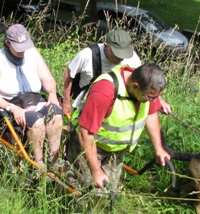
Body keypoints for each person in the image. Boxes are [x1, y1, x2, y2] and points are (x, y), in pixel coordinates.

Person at [66, 63, 171, 202]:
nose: (153, 100)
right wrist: (96, 171)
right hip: (90, 147)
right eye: (150, 97)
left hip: (116, 152)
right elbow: (85, 133)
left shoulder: (147, 89)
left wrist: (159, 149)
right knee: (82, 191)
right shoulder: (105, 91)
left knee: (106, 193)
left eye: (156, 97)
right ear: (135, 86)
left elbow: (151, 115)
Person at [0, 24, 63, 166]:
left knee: (56, 115)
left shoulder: (32, 52)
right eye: (18, 47)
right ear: (7, 43)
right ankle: (38, 163)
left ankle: (54, 159)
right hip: (13, 103)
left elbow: (48, 79)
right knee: (36, 121)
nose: (22, 51)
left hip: (35, 99)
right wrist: (12, 108)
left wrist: (52, 94)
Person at [61, 29, 171, 116]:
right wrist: (66, 102)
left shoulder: (133, 58)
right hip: (85, 105)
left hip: (117, 109)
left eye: (124, 54)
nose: (121, 58)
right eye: (117, 54)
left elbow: (144, 83)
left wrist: (159, 100)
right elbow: (69, 74)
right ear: (106, 45)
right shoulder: (87, 55)